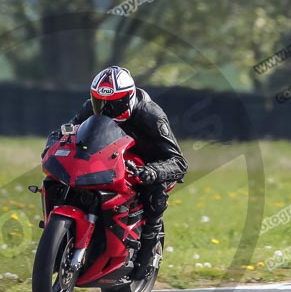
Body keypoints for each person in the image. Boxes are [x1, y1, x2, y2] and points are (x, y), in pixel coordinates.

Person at [44, 66, 187, 280]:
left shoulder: (151, 116)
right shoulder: (92, 109)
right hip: (110, 157)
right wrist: (54, 142)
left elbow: (178, 162)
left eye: (114, 104)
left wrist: (152, 171)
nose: (105, 110)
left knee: (154, 194)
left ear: (129, 98)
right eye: (99, 103)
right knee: (59, 179)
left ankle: (148, 250)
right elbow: (70, 130)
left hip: (146, 163)